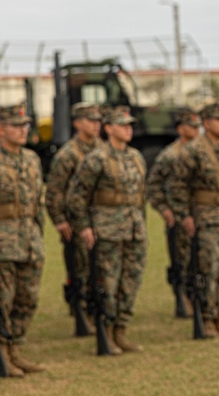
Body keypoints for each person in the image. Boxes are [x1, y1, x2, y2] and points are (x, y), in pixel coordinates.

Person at [66, 106, 147, 355]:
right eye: (122, 125)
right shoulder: (96, 159)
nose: (128, 129)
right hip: (107, 230)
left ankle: (121, 331)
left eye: (130, 125)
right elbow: (75, 197)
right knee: (107, 286)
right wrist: (84, 227)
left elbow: (141, 195)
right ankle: (106, 333)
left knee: (130, 283)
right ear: (109, 128)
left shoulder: (136, 157)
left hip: (134, 230)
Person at [170, 101, 219, 338]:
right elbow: (177, 186)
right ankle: (206, 316)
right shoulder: (192, 151)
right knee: (207, 269)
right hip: (206, 217)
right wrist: (184, 215)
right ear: (206, 123)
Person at [0, 107, 46, 376]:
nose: (22, 130)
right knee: (3, 299)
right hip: (1, 241)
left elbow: (37, 200)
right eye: (15, 126)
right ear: (0, 130)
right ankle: (2, 352)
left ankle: (15, 349)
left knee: (28, 297)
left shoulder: (32, 159)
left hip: (29, 239)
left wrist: (39, 231)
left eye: (25, 125)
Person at [46, 102, 105, 317]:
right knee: (80, 268)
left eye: (98, 121)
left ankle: (96, 308)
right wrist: (59, 219)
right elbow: (55, 191)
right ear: (78, 124)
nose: (96, 125)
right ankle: (80, 310)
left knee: (100, 267)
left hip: (102, 218)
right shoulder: (68, 155)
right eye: (91, 121)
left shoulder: (102, 149)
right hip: (77, 221)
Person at [145, 108, 200, 317]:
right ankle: (181, 298)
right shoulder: (170, 155)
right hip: (178, 216)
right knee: (181, 260)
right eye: (191, 126)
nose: (195, 130)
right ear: (180, 129)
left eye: (197, 126)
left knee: (199, 259)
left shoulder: (200, 151)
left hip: (200, 213)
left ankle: (196, 298)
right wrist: (163, 208)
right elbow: (153, 185)